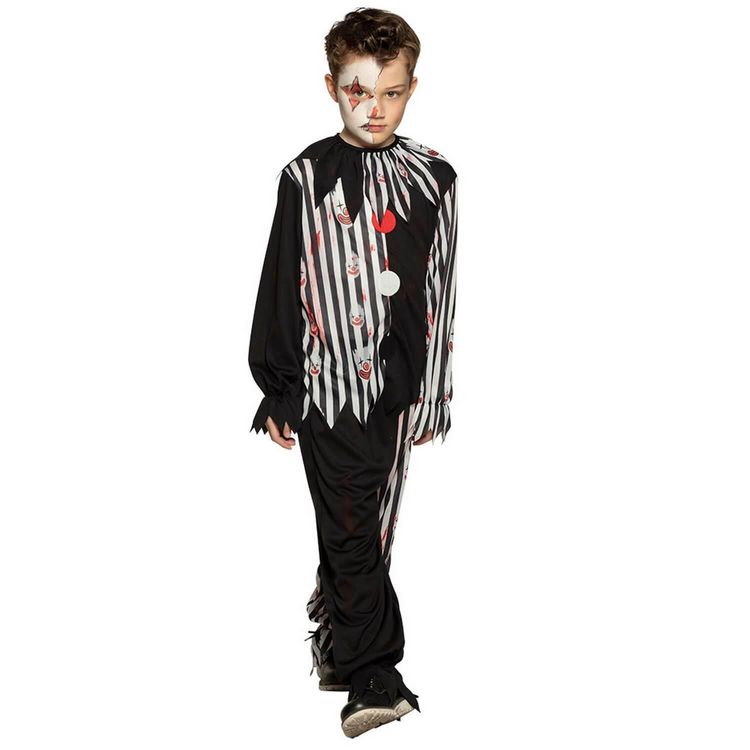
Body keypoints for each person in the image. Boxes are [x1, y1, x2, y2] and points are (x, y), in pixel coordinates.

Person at [247, 8, 458, 738]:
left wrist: (434, 390)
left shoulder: (435, 177)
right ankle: (375, 672)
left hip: (396, 387)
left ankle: (338, 639)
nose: (375, 109)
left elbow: (440, 290)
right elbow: (282, 280)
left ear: (412, 88)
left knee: (372, 523)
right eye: (358, 91)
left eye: (391, 92)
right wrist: (279, 386)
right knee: (348, 524)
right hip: (324, 383)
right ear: (331, 87)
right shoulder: (305, 176)